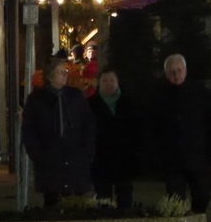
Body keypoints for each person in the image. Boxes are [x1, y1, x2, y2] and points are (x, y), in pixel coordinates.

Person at [21, 55, 94, 209]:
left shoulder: (76, 96)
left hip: (75, 159)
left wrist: (87, 150)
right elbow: (29, 129)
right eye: (61, 72)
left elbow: (87, 124)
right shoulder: (36, 99)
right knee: (52, 204)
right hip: (50, 160)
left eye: (65, 71)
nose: (65, 75)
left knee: (76, 204)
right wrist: (37, 154)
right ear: (50, 75)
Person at [151, 53, 211, 215]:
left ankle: (197, 221)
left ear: (185, 71)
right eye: (172, 72)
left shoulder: (200, 93)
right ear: (166, 74)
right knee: (175, 200)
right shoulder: (159, 96)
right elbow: (154, 127)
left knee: (203, 195)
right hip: (172, 158)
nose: (176, 75)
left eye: (179, 70)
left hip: (197, 155)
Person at [88, 70, 140, 210]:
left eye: (112, 80)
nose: (109, 83)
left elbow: (136, 129)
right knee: (103, 200)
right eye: (105, 80)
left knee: (125, 198)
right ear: (99, 83)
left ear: (117, 82)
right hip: (101, 159)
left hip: (124, 159)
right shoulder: (91, 104)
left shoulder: (128, 102)